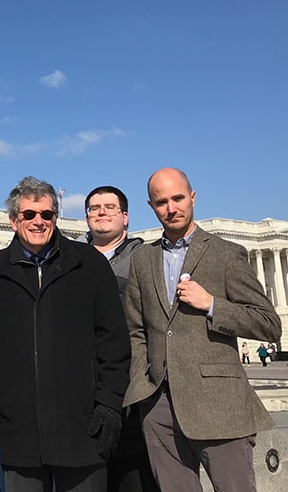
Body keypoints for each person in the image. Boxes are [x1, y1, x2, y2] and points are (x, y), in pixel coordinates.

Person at [124, 168, 282, 492]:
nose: (172, 207)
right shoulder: (142, 260)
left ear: (193, 197)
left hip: (218, 402)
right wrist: (144, 386)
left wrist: (211, 304)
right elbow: (136, 330)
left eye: (178, 198)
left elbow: (268, 323)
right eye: (161, 201)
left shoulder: (226, 254)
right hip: (159, 404)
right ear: (151, 206)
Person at [0, 176, 130, 492]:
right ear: (13, 221)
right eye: (29, 215)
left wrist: (108, 406)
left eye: (47, 215)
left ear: (55, 217)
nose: (38, 222)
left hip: (82, 429)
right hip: (17, 433)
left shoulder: (89, 264)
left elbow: (114, 342)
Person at [78, 185, 158, 492]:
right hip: (86, 389)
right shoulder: (73, 259)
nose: (101, 212)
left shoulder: (145, 258)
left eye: (109, 207)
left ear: (125, 218)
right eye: (94, 208)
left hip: (134, 390)